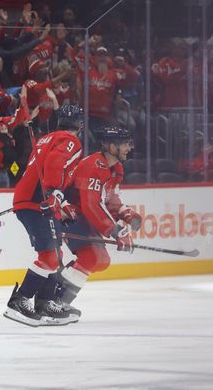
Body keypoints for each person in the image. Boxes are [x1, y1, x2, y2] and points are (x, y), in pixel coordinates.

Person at [5, 104, 84, 327]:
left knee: (55, 253)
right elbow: (55, 164)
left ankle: (45, 303)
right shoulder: (71, 140)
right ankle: (19, 301)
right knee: (49, 256)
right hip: (37, 202)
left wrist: (61, 201)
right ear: (80, 124)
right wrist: (54, 193)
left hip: (35, 200)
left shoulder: (47, 138)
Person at [55, 127, 140, 324]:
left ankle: (52, 294)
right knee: (91, 256)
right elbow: (91, 204)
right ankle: (56, 302)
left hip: (83, 214)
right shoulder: (92, 166)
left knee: (101, 260)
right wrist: (115, 230)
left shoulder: (116, 168)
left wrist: (126, 214)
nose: (129, 148)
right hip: (69, 212)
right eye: (125, 144)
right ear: (112, 146)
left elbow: (109, 198)